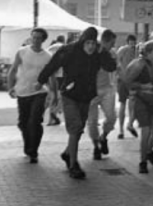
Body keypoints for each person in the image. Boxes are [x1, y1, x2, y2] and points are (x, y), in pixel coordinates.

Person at [37, 27, 117, 180]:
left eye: (93, 43)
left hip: (86, 96)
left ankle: (68, 154)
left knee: (79, 128)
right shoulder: (69, 50)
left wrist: (102, 52)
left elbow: (111, 67)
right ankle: (73, 165)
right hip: (70, 95)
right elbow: (53, 65)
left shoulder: (98, 53)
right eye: (88, 43)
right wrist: (40, 81)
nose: (91, 47)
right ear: (82, 42)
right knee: (74, 129)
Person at [6, 27, 52, 164]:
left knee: (35, 121)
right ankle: (28, 147)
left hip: (40, 92)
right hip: (22, 91)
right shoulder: (22, 52)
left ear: (43, 40)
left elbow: (51, 76)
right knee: (23, 123)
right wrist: (10, 87)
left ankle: (33, 151)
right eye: (34, 37)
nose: (36, 40)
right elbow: (13, 70)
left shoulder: (48, 56)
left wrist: (53, 93)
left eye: (39, 38)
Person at [126, 40, 153, 174]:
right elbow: (127, 82)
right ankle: (142, 161)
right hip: (142, 100)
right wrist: (142, 87)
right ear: (148, 52)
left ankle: (148, 151)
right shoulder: (138, 64)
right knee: (146, 131)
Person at [87, 29, 118, 160]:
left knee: (111, 117)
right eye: (112, 43)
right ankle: (95, 147)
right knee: (92, 122)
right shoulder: (91, 51)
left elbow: (114, 68)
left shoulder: (110, 53)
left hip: (107, 89)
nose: (113, 45)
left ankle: (103, 137)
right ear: (106, 41)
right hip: (91, 91)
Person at [116, 34, 138, 139]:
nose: (132, 44)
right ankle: (123, 128)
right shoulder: (125, 50)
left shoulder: (134, 51)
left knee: (129, 104)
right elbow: (117, 62)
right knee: (125, 104)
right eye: (131, 42)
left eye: (133, 42)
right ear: (128, 42)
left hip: (129, 80)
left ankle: (127, 126)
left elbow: (117, 63)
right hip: (126, 80)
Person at [46, 35, 66, 126]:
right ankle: (54, 113)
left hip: (50, 74)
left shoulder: (49, 48)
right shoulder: (64, 47)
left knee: (52, 95)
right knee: (61, 96)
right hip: (61, 75)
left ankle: (51, 119)